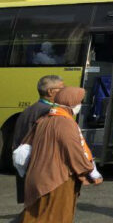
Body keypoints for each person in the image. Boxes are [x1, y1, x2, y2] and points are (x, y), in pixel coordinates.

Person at [18, 87, 103, 223]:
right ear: (72, 102)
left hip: (37, 176)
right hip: (57, 178)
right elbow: (75, 152)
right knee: (56, 216)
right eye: (80, 101)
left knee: (37, 215)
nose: (80, 105)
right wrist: (89, 170)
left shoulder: (45, 119)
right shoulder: (65, 123)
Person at [12, 75, 64, 205]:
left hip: (29, 168)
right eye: (61, 89)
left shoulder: (30, 109)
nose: (64, 92)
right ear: (51, 92)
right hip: (42, 169)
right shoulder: (50, 111)